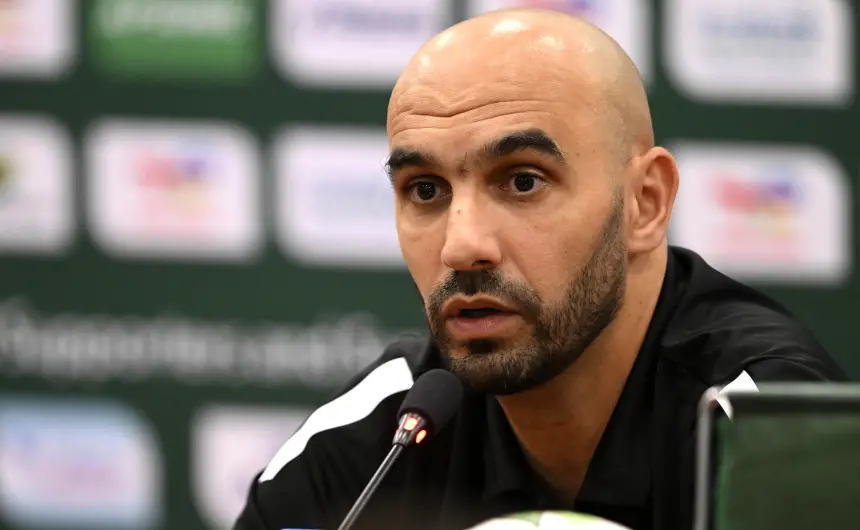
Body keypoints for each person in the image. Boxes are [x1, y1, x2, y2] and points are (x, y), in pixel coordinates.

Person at [233, 8, 847, 530]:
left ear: (645, 203)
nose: (461, 246)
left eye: (522, 181)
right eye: (425, 190)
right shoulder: (380, 437)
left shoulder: (759, 438)